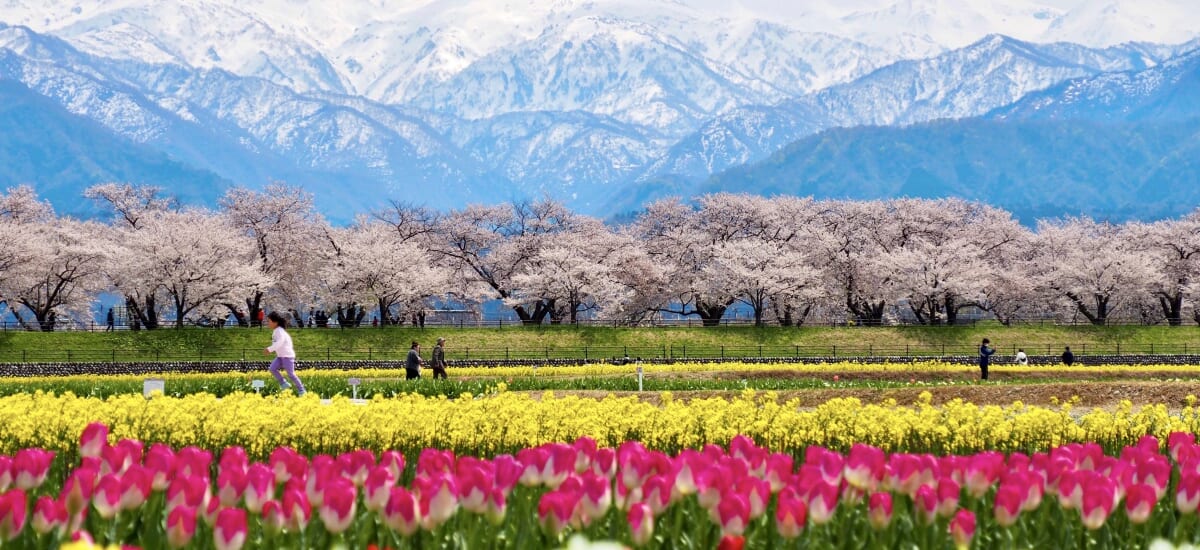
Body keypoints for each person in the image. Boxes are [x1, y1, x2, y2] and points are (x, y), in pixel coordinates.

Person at [263, 312, 305, 396]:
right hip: (280, 356)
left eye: (269, 321)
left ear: (275, 322)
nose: (268, 323)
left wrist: (269, 349)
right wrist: (271, 348)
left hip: (287, 356)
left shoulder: (279, 331)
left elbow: (280, 342)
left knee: (291, 374)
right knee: (272, 369)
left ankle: (302, 390)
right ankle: (284, 383)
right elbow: (277, 343)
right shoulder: (276, 330)